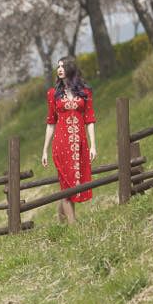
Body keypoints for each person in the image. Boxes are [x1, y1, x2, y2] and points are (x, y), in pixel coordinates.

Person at [41, 56, 97, 224]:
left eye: (63, 66)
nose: (59, 69)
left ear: (70, 69)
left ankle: (61, 218)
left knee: (73, 182)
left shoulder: (85, 92)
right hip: (61, 143)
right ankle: (74, 227)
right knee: (66, 183)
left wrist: (93, 145)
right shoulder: (53, 94)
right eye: (58, 66)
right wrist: (44, 150)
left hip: (80, 143)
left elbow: (90, 120)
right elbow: (51, 123)